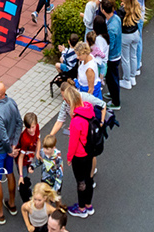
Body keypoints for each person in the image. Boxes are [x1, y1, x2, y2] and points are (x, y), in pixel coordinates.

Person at [0, 81, 23, 225]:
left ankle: (0, 214)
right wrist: (14, 145)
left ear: (0, 95)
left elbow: (2, 137)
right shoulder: (12, 102)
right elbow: (19, 122)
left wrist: (9, 149)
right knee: (10, 173)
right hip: (9, 149)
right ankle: (12, 204)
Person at [63, 86, 98, 219]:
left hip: (79, 155)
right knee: (88, 178)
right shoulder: (89, 108)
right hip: (89, 151)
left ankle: (81, 208)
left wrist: (69, 157)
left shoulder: (76, 121)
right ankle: (89, 205)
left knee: (81, 181)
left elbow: (73, 142)